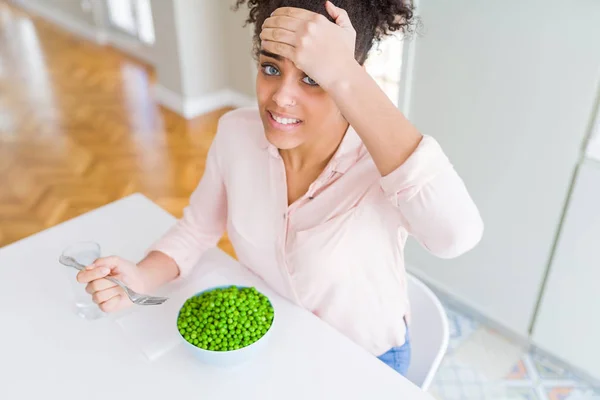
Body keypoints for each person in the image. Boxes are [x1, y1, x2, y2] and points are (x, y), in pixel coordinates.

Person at [77, 0, 483, 376]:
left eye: (313, 78)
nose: (282, 99)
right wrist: (141, 277)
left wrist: (343, 73)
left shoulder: (385, 161)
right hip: (276, 337)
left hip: (365, 361)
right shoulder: (236, 133)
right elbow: (198, 228)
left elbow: (456, 236)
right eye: (271, 68)